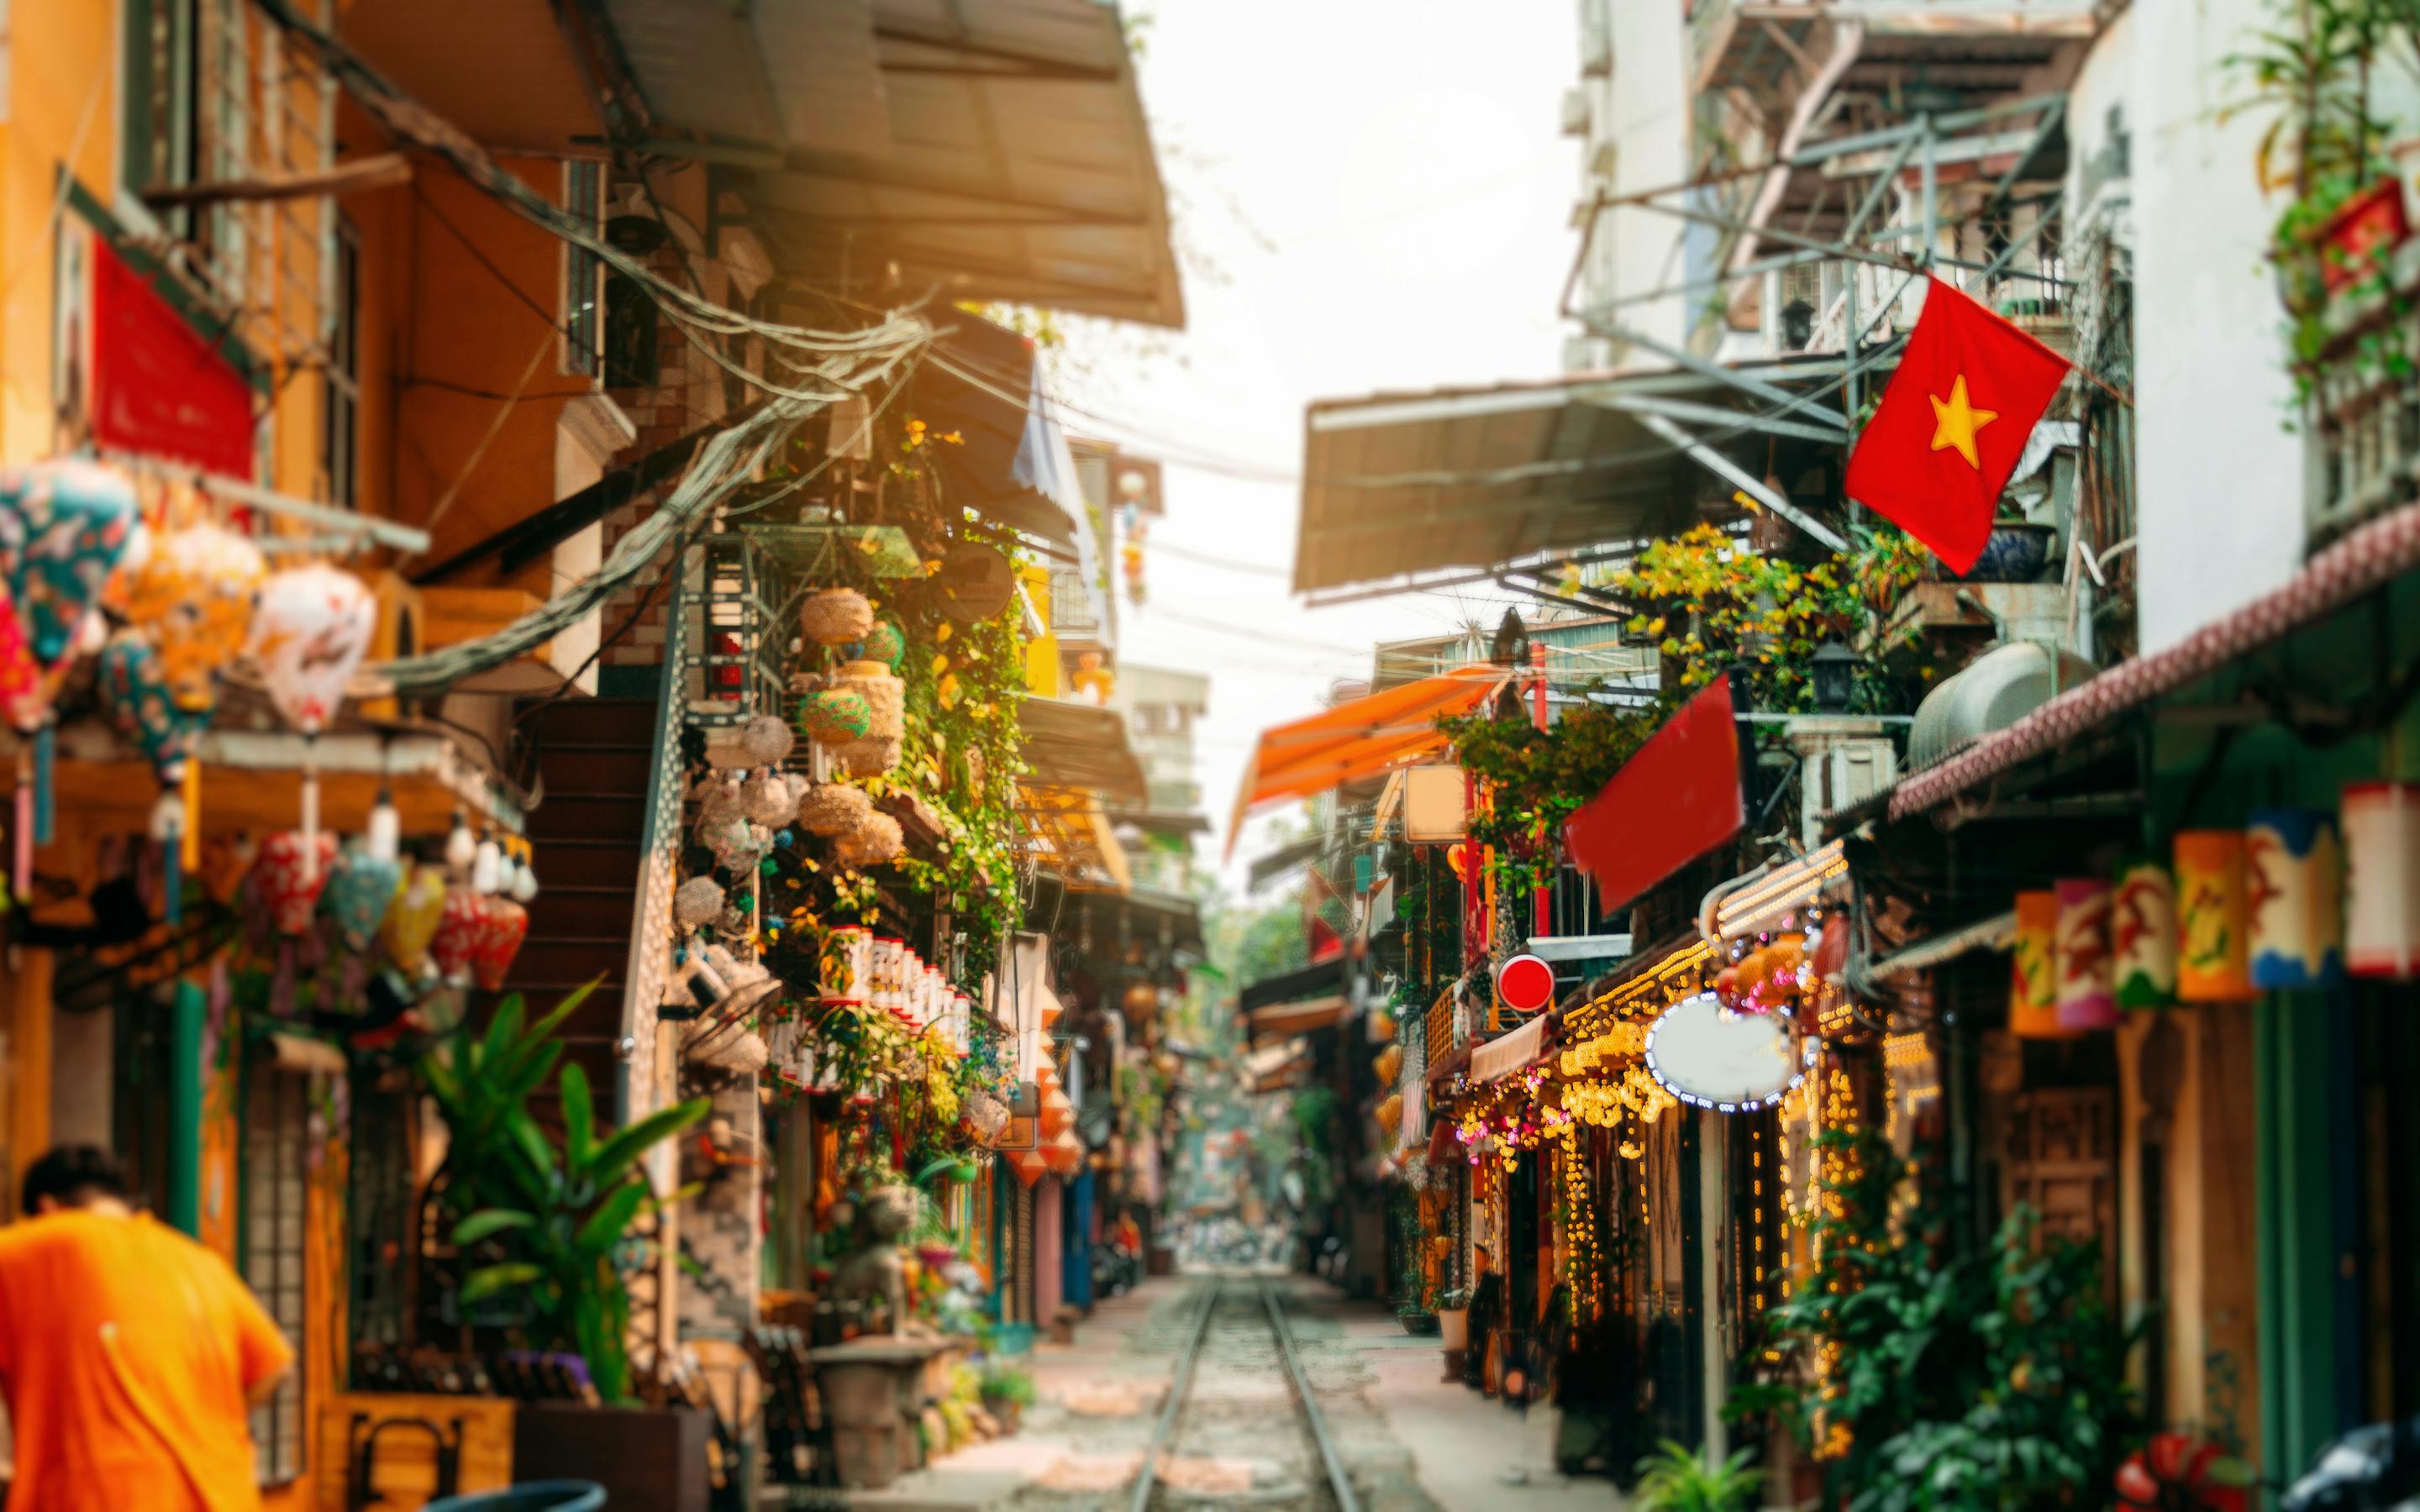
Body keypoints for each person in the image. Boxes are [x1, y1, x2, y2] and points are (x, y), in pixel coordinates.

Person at [0, 1146, 292, 1510]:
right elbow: (275, 1365)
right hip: (223, 1496)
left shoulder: (36, 1245)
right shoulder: (199, 1262)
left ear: (45, 1208)